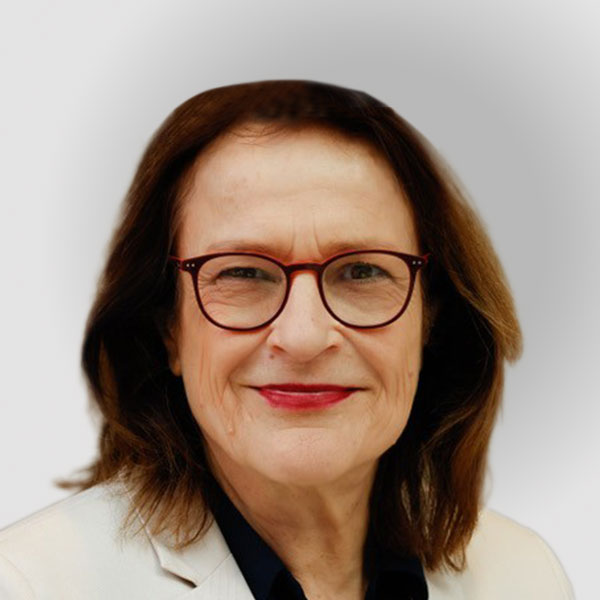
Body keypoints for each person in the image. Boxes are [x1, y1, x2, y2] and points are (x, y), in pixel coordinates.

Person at [0, 80, 574, 600]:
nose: (303, 337)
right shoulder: (29, 584)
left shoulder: (526, 577)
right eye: (242, 272)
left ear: (430, 321)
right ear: (168, 328)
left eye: (362, 271)